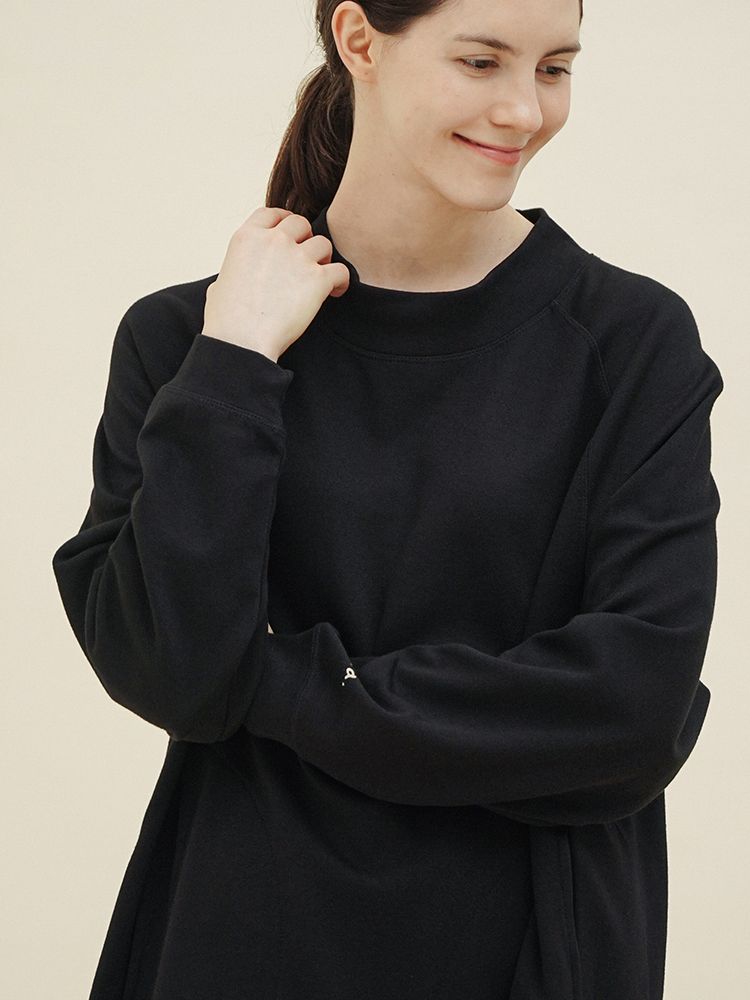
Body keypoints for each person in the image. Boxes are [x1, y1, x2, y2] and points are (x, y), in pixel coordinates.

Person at [51, 1, 723, 998]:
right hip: (237, 935)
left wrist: (276, 684)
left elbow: (630, 704)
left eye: (555, 67)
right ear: (360, 40)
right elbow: (173, 672)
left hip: (535, 946)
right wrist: (236, 364)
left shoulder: (632, 344)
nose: (525, 109)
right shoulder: (193, 341)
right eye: (482, 61)